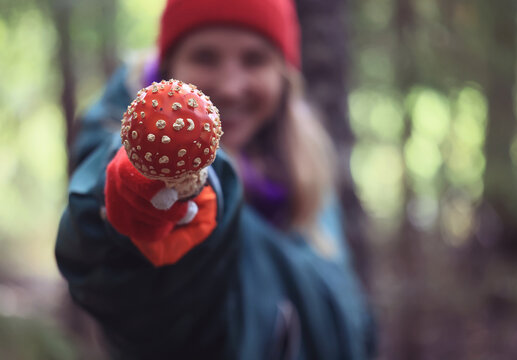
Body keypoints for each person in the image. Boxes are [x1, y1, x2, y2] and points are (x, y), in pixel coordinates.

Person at [56, 0, 376, 358]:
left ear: (283, 75)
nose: (231, 86)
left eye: (254, 59)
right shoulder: (131, 142)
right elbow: (139, 293)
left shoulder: (305, 172)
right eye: (205, 57)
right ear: (168, 66)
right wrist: (141, 192)